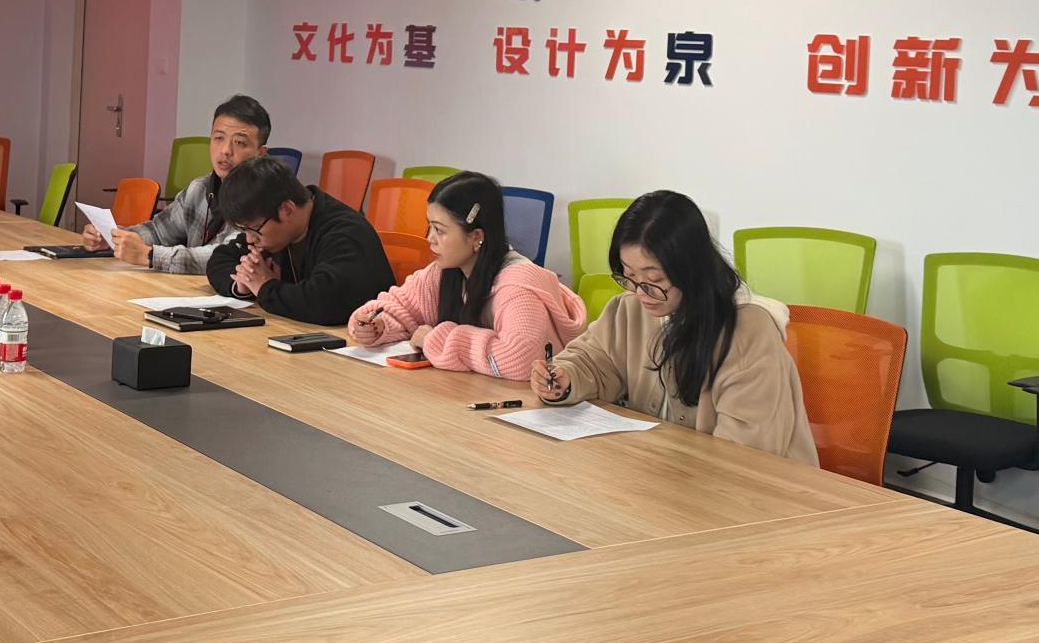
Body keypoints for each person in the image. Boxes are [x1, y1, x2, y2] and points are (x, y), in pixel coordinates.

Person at [530, 190, 818, 464]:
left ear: (691, 270)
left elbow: (745, 456)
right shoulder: (630, 308)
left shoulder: (747, 332)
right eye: (629, 276)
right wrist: (564, 378)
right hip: (666, 475)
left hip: (759, 491)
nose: (641, 292)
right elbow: (593, 360)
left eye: (654, 280)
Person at [346, 171, 587, 378]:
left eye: (440, 230)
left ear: (476, 237)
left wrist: (436, 340)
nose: (429, 239)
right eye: (429, 226)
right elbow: (399, 307)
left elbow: (522, 360)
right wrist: (377, 326)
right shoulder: (445, 271)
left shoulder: (518, 287)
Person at [87, 94, 271, 272]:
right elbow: (158, 231)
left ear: (260, 153)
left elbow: (223, 258)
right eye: (219, 138)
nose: (225, 150)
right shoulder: (200, 188)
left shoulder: (262, 199)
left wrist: (150, 256)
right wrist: (113, 237)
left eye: (239, 142)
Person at [206, 156, 392, 325]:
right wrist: (244, 284)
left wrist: (265, 287)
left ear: (287, 209)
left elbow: (324, 302)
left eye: (253, 228)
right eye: (244, 229)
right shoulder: (271, 229)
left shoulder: (346, 232)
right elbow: (221, 258)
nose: (249, 239)